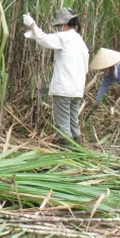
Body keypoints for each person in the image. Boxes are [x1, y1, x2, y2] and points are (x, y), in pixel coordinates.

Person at [23, 8, 89, 144]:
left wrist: (32, 24)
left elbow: (44, 40)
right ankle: (79, 151)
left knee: (63, 124)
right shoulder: (80, 42)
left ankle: (68, 153)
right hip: (77, 90)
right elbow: (86, 69)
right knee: (73, 122)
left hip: (64, 89)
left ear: (64, 24)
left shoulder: (65, 38)